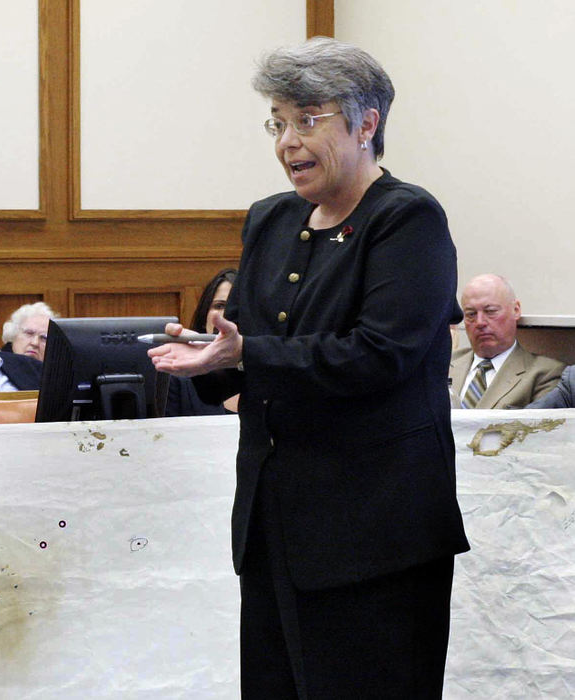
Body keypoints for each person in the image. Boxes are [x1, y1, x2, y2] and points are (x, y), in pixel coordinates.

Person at [149, 38, 469, 698]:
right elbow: (247, 350)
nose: (287, 141)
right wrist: (209, 364)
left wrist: (248, 353)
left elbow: (379, 355)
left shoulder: (406, 218)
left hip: (374, 536)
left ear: (365, 124)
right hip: (275, 529)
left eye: (306, 119)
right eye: (278, 121)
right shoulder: (270, 219)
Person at [449, 274, 564, 409]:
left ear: (516, 310)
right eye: (471, 314)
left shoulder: (544, 373)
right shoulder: (444, 364)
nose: (480, 322)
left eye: (490, 311)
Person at [165, 269, 238, 416]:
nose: (227, 314)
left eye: (237, 306)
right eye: (219, 306)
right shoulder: (179, 377)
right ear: (205, 315)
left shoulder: (267, 372)